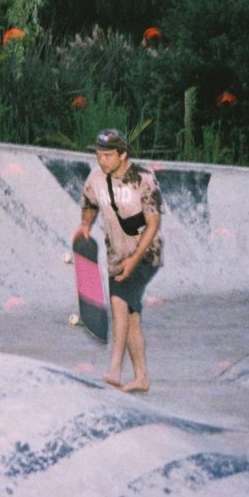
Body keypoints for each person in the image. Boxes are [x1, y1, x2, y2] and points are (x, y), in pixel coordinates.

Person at [75, 128, 162, 392]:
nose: (102, 161)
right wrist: (86, 224)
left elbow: (153, 224)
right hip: (117, 255)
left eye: (108, 155)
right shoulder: (96, 178)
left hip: (146, 255)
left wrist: (135, 260)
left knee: (118, 301)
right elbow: (89, 204)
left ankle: (114, 369)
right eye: (98, 155)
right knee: (132, 317)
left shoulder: (143, 179)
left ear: (123, 155)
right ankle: (141, 377)